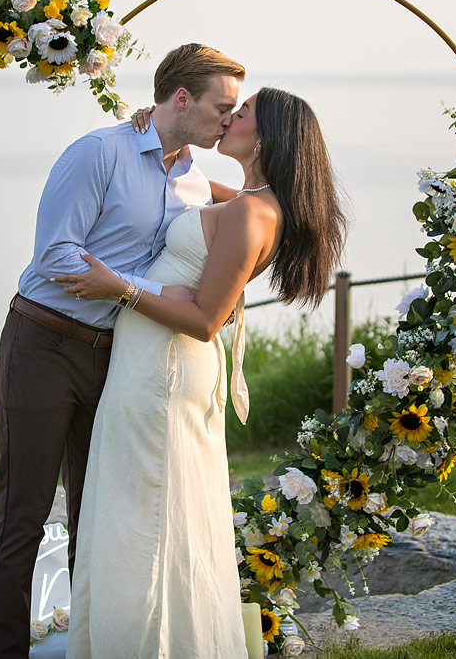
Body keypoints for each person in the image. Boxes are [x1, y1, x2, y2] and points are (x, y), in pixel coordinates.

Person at [57, 87, 347, 657]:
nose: (230, 118)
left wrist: (120, 289)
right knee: (142, 515)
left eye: (243, 114)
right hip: (148, 368)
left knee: (145, 521)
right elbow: (172, 185)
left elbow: (205, 319)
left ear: (266, 138)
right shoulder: (244, 198)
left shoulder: (251, 213)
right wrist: (156, 129)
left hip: (163, 374)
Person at [0, 44, 246, 658]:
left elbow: (264, 211)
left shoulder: (192, 179)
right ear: (181, 98)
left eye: (236, 112)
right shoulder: (98, 152)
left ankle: (91, 646)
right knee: (22, 513)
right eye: (222, 107)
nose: (229, 121)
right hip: (45, 341)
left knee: (95, 514)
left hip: (116, 355)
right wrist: (156, 291)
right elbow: (55, 256)